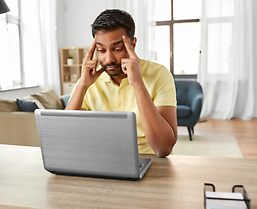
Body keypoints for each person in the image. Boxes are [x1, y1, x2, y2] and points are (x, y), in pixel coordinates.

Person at [65, 9, 177, 157]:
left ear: (133, 43)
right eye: (101, 50)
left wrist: (137, 84)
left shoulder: (159, 74)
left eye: (117, 49)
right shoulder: (89, 80)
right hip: (102, 160)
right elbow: (66, 136)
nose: (109, 59)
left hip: (149, 160)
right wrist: (82, 85)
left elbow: (163, 148)